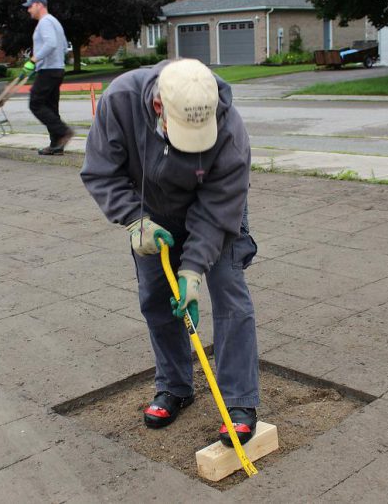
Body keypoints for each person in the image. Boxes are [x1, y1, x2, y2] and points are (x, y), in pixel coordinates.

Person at [80, 59, 259, 447]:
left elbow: (217, 206)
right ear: (159, 107)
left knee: (229, 293)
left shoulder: (229, 129)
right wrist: (133, 219)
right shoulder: (121, 100)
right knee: (156, 299)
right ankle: (175, 386)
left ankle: (239, 402)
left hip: (217, 213)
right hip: (150, 214)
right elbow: (99, 170)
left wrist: (193, 269)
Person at [22, 0, 74, 155]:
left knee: (35, 104)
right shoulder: (55, 22)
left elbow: (50, 44)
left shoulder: (44, 22)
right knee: (51, 107)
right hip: (57, 69)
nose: (29, 10)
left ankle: (63, 131)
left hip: (48, 70)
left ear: (39, 5)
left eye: (30, 6)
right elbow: (64, 46)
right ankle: (56, 145)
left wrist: (34, 59)